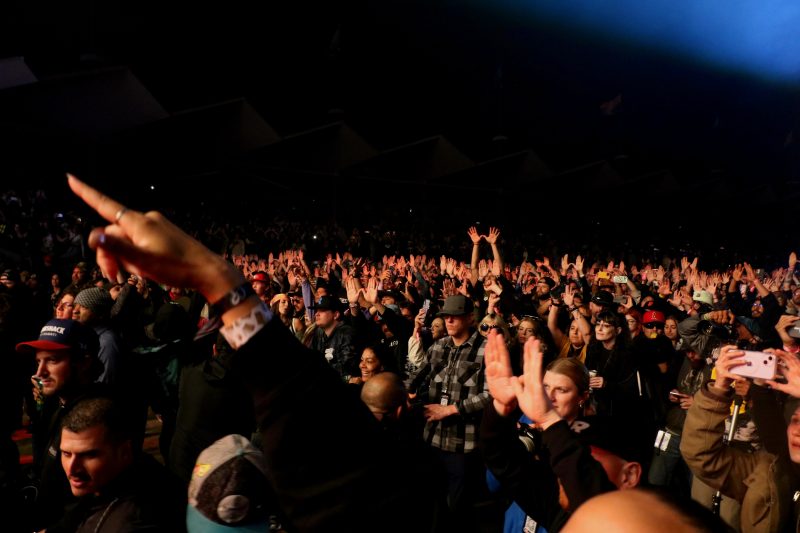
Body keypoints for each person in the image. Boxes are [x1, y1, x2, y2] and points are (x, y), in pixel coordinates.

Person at [66, 174, 436, 532]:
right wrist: (216, 277)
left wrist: (215, 277)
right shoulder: (405, 486)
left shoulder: (197, 372)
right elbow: (293, 397)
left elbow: (289, 387)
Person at [480, 331, 644, 532]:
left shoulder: (601, 434)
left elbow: (586, 493)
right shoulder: (526, 421)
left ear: (582, 396)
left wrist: (549, 424)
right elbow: (502, 470)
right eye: (546, 387)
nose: (550, 397)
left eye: (562, 390)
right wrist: (499, 409)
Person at [680, 345, 800, 533]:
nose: (797, 431)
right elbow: (701, 455)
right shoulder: (768, 472)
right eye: (795, 420)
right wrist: (719, 388)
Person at [407, 294, 490, 530]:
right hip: (432, 438)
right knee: (431, 503)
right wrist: (403, 394)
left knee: (458, 509)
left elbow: (492, 395)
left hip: (463, 444)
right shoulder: (438, 347)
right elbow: (417, 378)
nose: (449, 321)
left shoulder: (487, 349)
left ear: (470, 318)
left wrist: (452, 409)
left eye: (455, 316)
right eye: (446, 316)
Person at [48, 396, 185, 532]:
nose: (72, 468)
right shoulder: (104, 481)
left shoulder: (131, 522)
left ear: (124, 452)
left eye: (89, 455)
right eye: (66, 454)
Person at [16, 318, 102, 531]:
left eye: (52, 360)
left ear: (83, 362)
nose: (40, 373)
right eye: (38, 362)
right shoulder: (60, 405)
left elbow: (93, 500)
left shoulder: (96, 419)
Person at [309, 294, 358, 381]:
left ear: (336, 315)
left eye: (322, 310)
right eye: (317, 310)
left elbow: (347, 367)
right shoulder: (319, 332)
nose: (316, 314)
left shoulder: (347, 333)